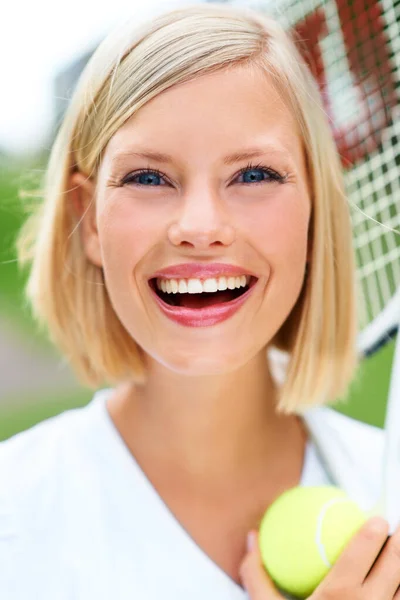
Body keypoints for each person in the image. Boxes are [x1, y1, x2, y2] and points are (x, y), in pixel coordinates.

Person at [0, 3, 398, 599]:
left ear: (315, 212)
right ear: (89, 221)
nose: (200, 226)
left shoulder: (385, 490)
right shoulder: (15, 515)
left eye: (255, 175)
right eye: (148, 178)